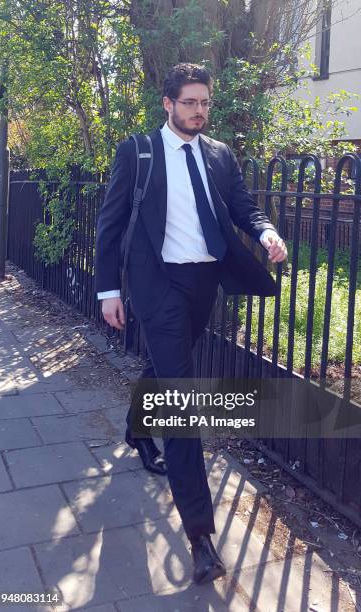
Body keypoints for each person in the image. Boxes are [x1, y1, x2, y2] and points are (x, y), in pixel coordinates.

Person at [95, 63, 287, 585]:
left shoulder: (220, 154)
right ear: (167, 103)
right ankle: (200, 537)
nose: (199, 111)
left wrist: (266, 232)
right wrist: (108, 288)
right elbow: (110, 223)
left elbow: (242, 206)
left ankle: (139, 428)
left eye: (205, 102)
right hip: (157, 286)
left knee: (165, 372)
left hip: (203, 287)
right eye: (190, 103)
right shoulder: (139, 151)